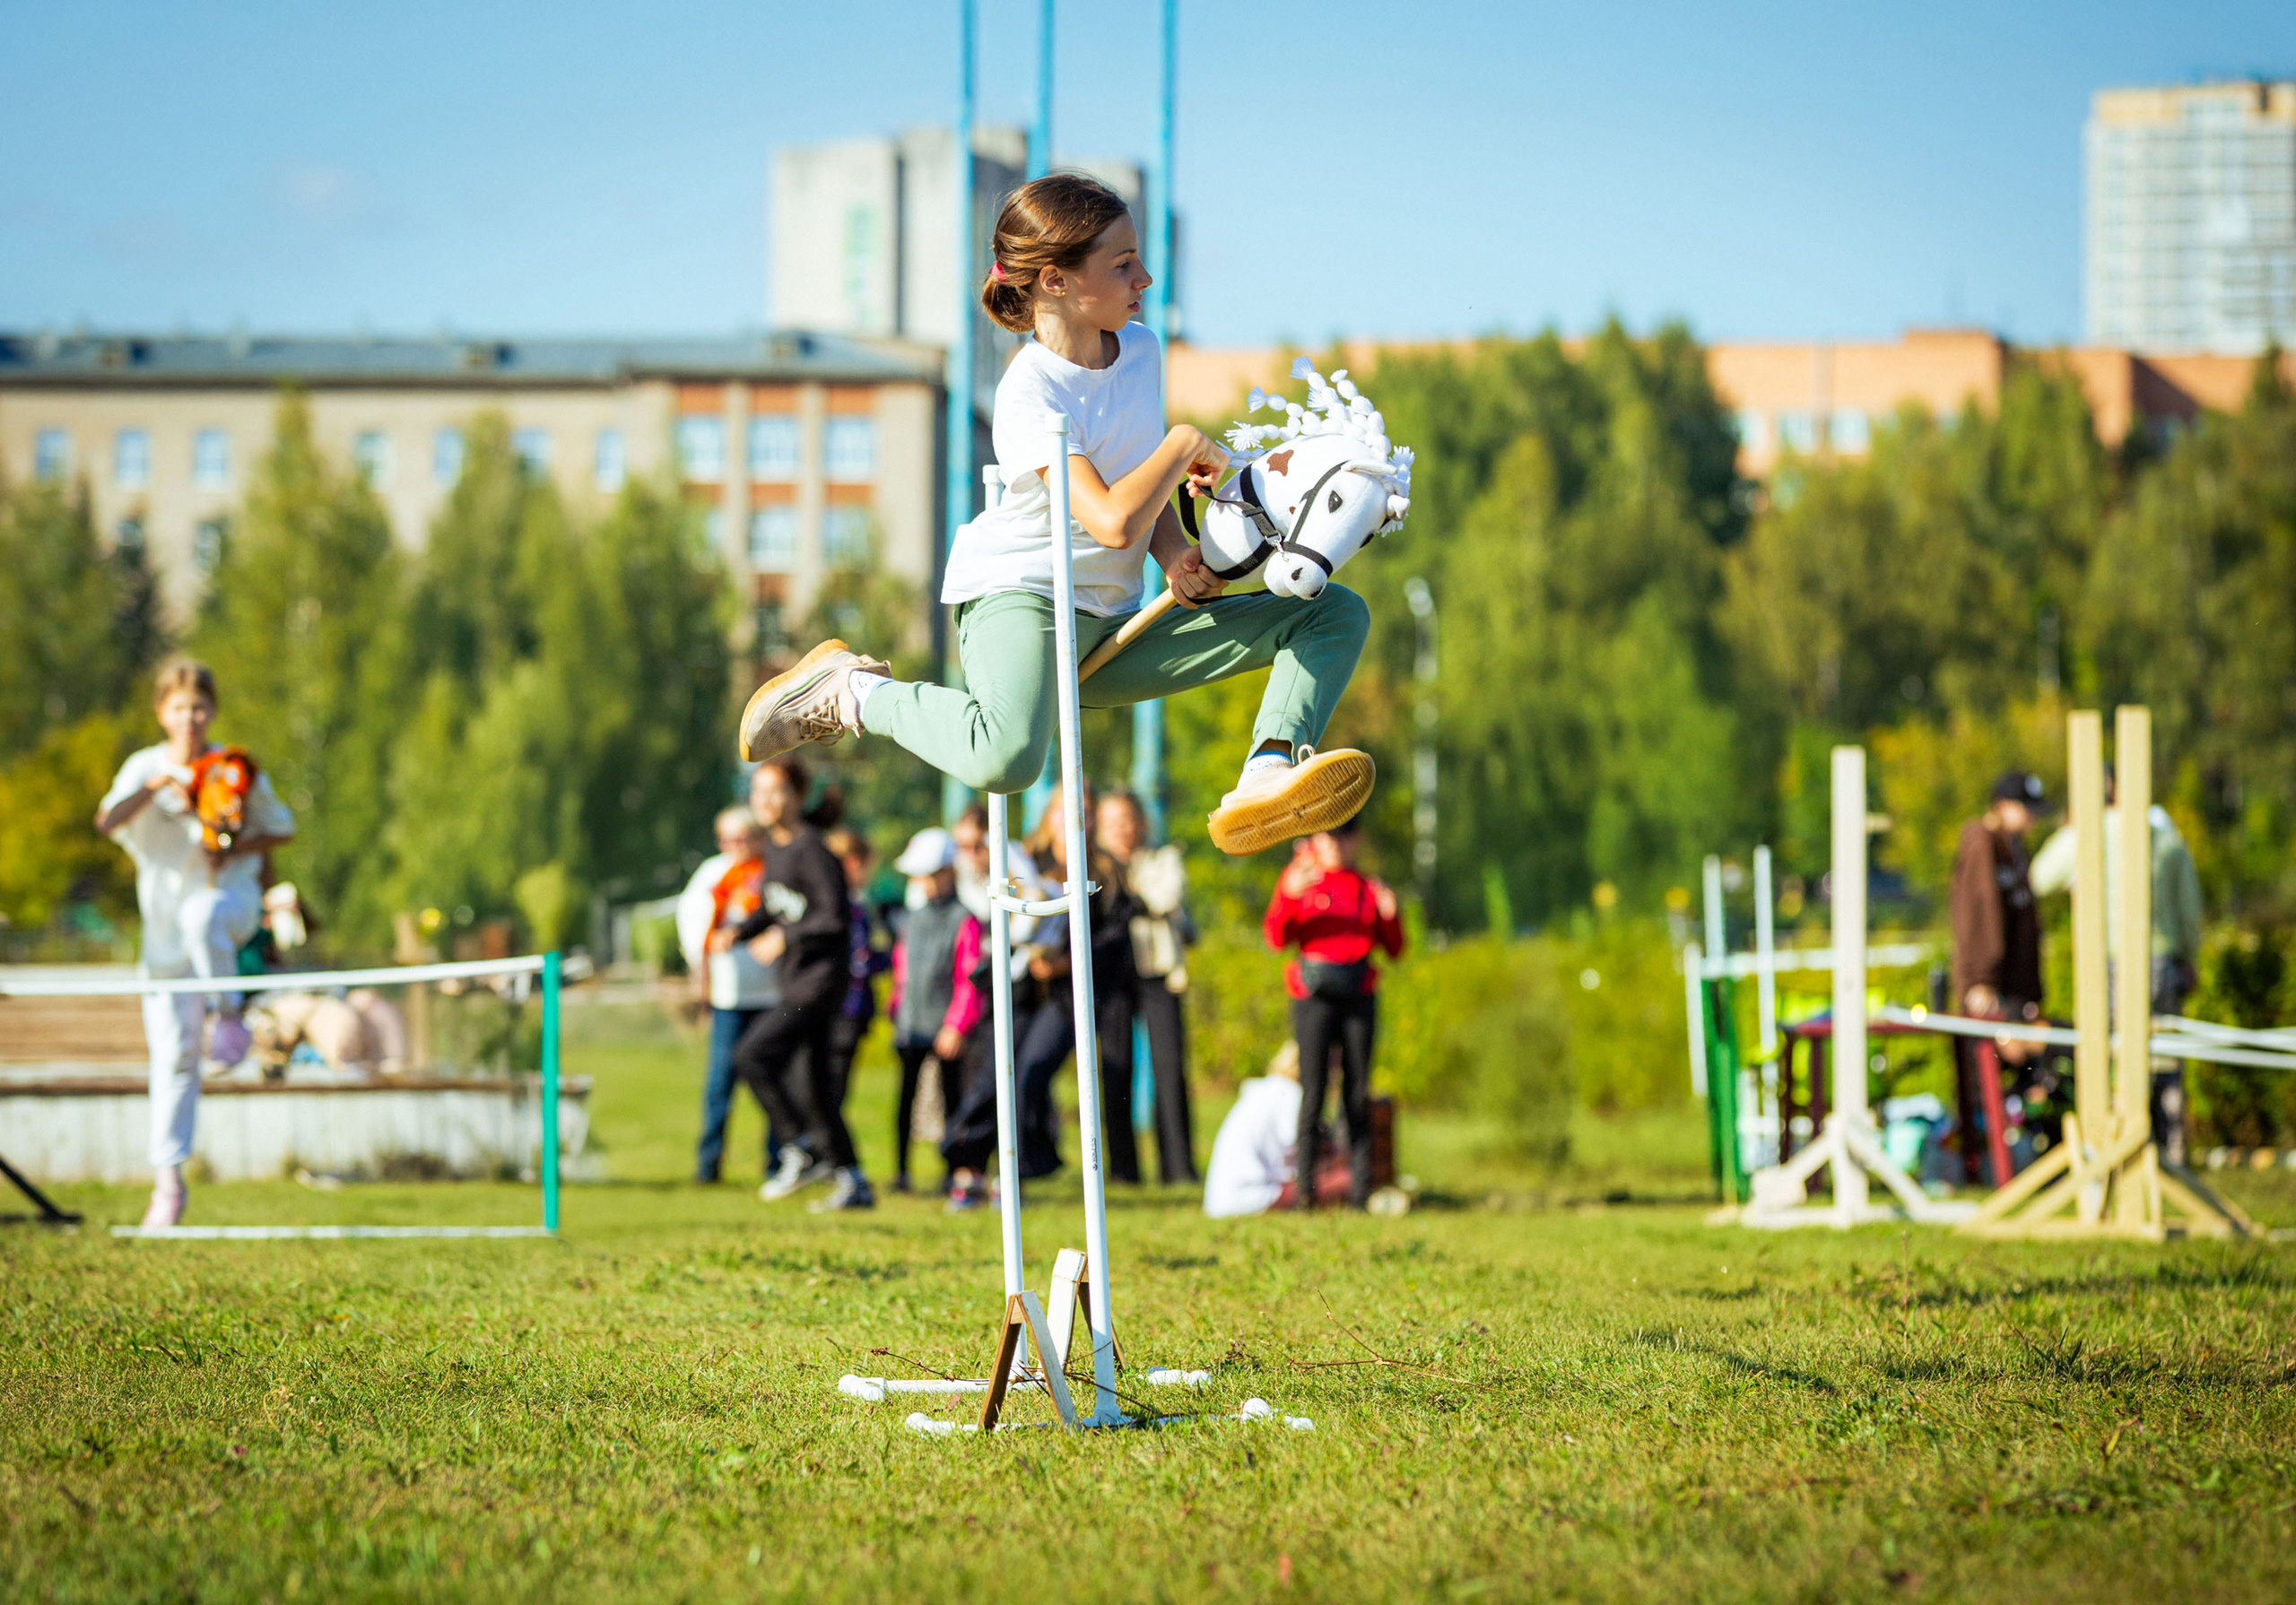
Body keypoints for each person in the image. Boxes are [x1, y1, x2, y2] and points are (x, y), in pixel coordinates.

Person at [734, 172, 1372, 858]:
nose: (1144, 279)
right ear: (1056, 281)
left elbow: (1136, 483)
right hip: (1023, 600)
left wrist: (1173, 558)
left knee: (1334, 614)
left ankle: (1268, 768)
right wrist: (1183, 443)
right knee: (1006, 760)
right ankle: (854, 690)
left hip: (1109, 619)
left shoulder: (1142, 351)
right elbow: (1110, 520)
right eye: (1123, 264)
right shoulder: (1027, 392)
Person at [94, 658, 296, 1228]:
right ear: (162, 712)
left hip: (224, 909)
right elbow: (107, 821)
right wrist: (158, 787)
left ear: (213, 712)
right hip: (164, 943)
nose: (191, 718)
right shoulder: (145, 767)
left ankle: (229, 1015)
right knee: (173, 1057)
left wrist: (230, 847)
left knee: (201, 914)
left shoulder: (233, 766)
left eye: (200, 708)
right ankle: (169, 1185)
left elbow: (281, 828)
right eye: (180, 708)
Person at [2029, 768, 2205, 1164]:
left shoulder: (2084, 834)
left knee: (2106, 1057)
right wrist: (2190, 958)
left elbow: (2038, 877)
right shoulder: (2163, 835)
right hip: (2161, 959)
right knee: (2164, 1059)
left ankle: (2112, 1150)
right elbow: (2189, 906)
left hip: (2104, 961)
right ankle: (2169, 1153)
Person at [734, 758, 874, 1211]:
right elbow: (774, 907)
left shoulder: (813, 849)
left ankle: (799, 1147)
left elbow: (834, 919)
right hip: (796, 981)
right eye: (758, 791)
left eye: (775, 791)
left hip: (817, 986)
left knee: (752, 1054)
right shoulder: (775, 850)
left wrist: (785, 937)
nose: (764, 800)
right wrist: (737, 934)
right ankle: (853, 1181)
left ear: (796, 797)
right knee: (812, 1086)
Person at [1263, 816, 1404, 1210]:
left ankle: (1359, 1190)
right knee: (1313, 1091)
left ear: (1356, 841)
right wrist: (1288, 896)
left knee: (1356, 1094)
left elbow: (1395, 949)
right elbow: (1276, 937)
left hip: (1358, 996)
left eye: (1345, 837)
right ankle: (1306, 1192)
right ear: (1318, 839)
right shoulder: (1300, 881)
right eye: (1330, 836)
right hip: (1314, 998)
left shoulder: (1368, 888)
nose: (1337, 845)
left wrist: (1390, 915)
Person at [1947, 771, 2048, 1184]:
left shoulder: (2013, 849)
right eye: (2026, 809)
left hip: (2015, 989)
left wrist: (2032, 991)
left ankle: (2020, 1164)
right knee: (1989, 1077)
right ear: (2002, 805)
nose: (2032, 819)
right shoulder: (1982, 845)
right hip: (1989, 988)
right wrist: (1979, 981)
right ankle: (1988, 1170)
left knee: (2031, 1070)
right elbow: (1978, 917)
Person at [1096, 787, 1198, 1183]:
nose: (1120, 829)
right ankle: (1123, 1170)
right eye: (1111, 822)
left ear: (1140, 822)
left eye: (1126, 820)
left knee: (1169, 1068)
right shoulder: (1093, 866)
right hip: (1113, 979)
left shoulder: (1162, 858)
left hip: (1158, 972)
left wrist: (1132, 892)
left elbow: (1166, 897)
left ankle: (1178, 1166)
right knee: (1116, 1069)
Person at [678, 805, 783, 1184]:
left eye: (743, 838)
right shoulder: (713, 875)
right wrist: (702, 983)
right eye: (727, 839)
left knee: (772, 1084)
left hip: (772, 997)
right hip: (728, 999)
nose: (735, 846)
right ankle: (709, 1165)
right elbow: (695, 931)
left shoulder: (774, 870)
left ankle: (778, 1163)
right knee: (719, 1084)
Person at [886, 828, 985, 1194]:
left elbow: (969, 977)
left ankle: (953, 1172)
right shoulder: (910, 918)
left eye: (928, 875)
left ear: (947, 873)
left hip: (946, 1028)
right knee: (904, 1101)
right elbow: (903, 970)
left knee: (953, 1103)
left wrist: (956, 1025)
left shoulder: (965, 919)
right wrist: (896, 1010)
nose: (922, 883)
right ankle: (901, 1173)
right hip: (911, 1023)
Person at [822, 824, 891, 1151]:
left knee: (834, 1089)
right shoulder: (837, 907)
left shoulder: (860, 906)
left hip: (851, 1011)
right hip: (834, 1009)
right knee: (825, 1090)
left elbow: (870, 958)